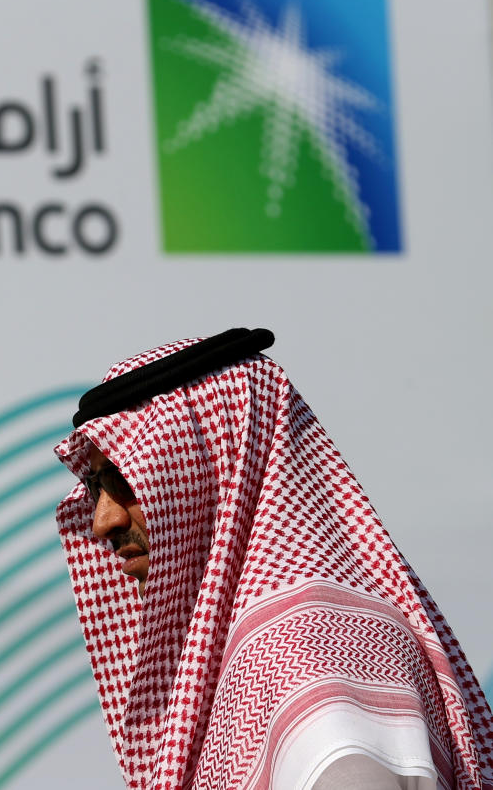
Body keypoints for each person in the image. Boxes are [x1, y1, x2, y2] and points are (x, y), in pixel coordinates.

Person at [54, 329, 493, 789]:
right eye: (94, 489)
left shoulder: (311, 663)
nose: (102, 521)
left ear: (206, 469)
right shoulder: (259, 650)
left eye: (124, 480)